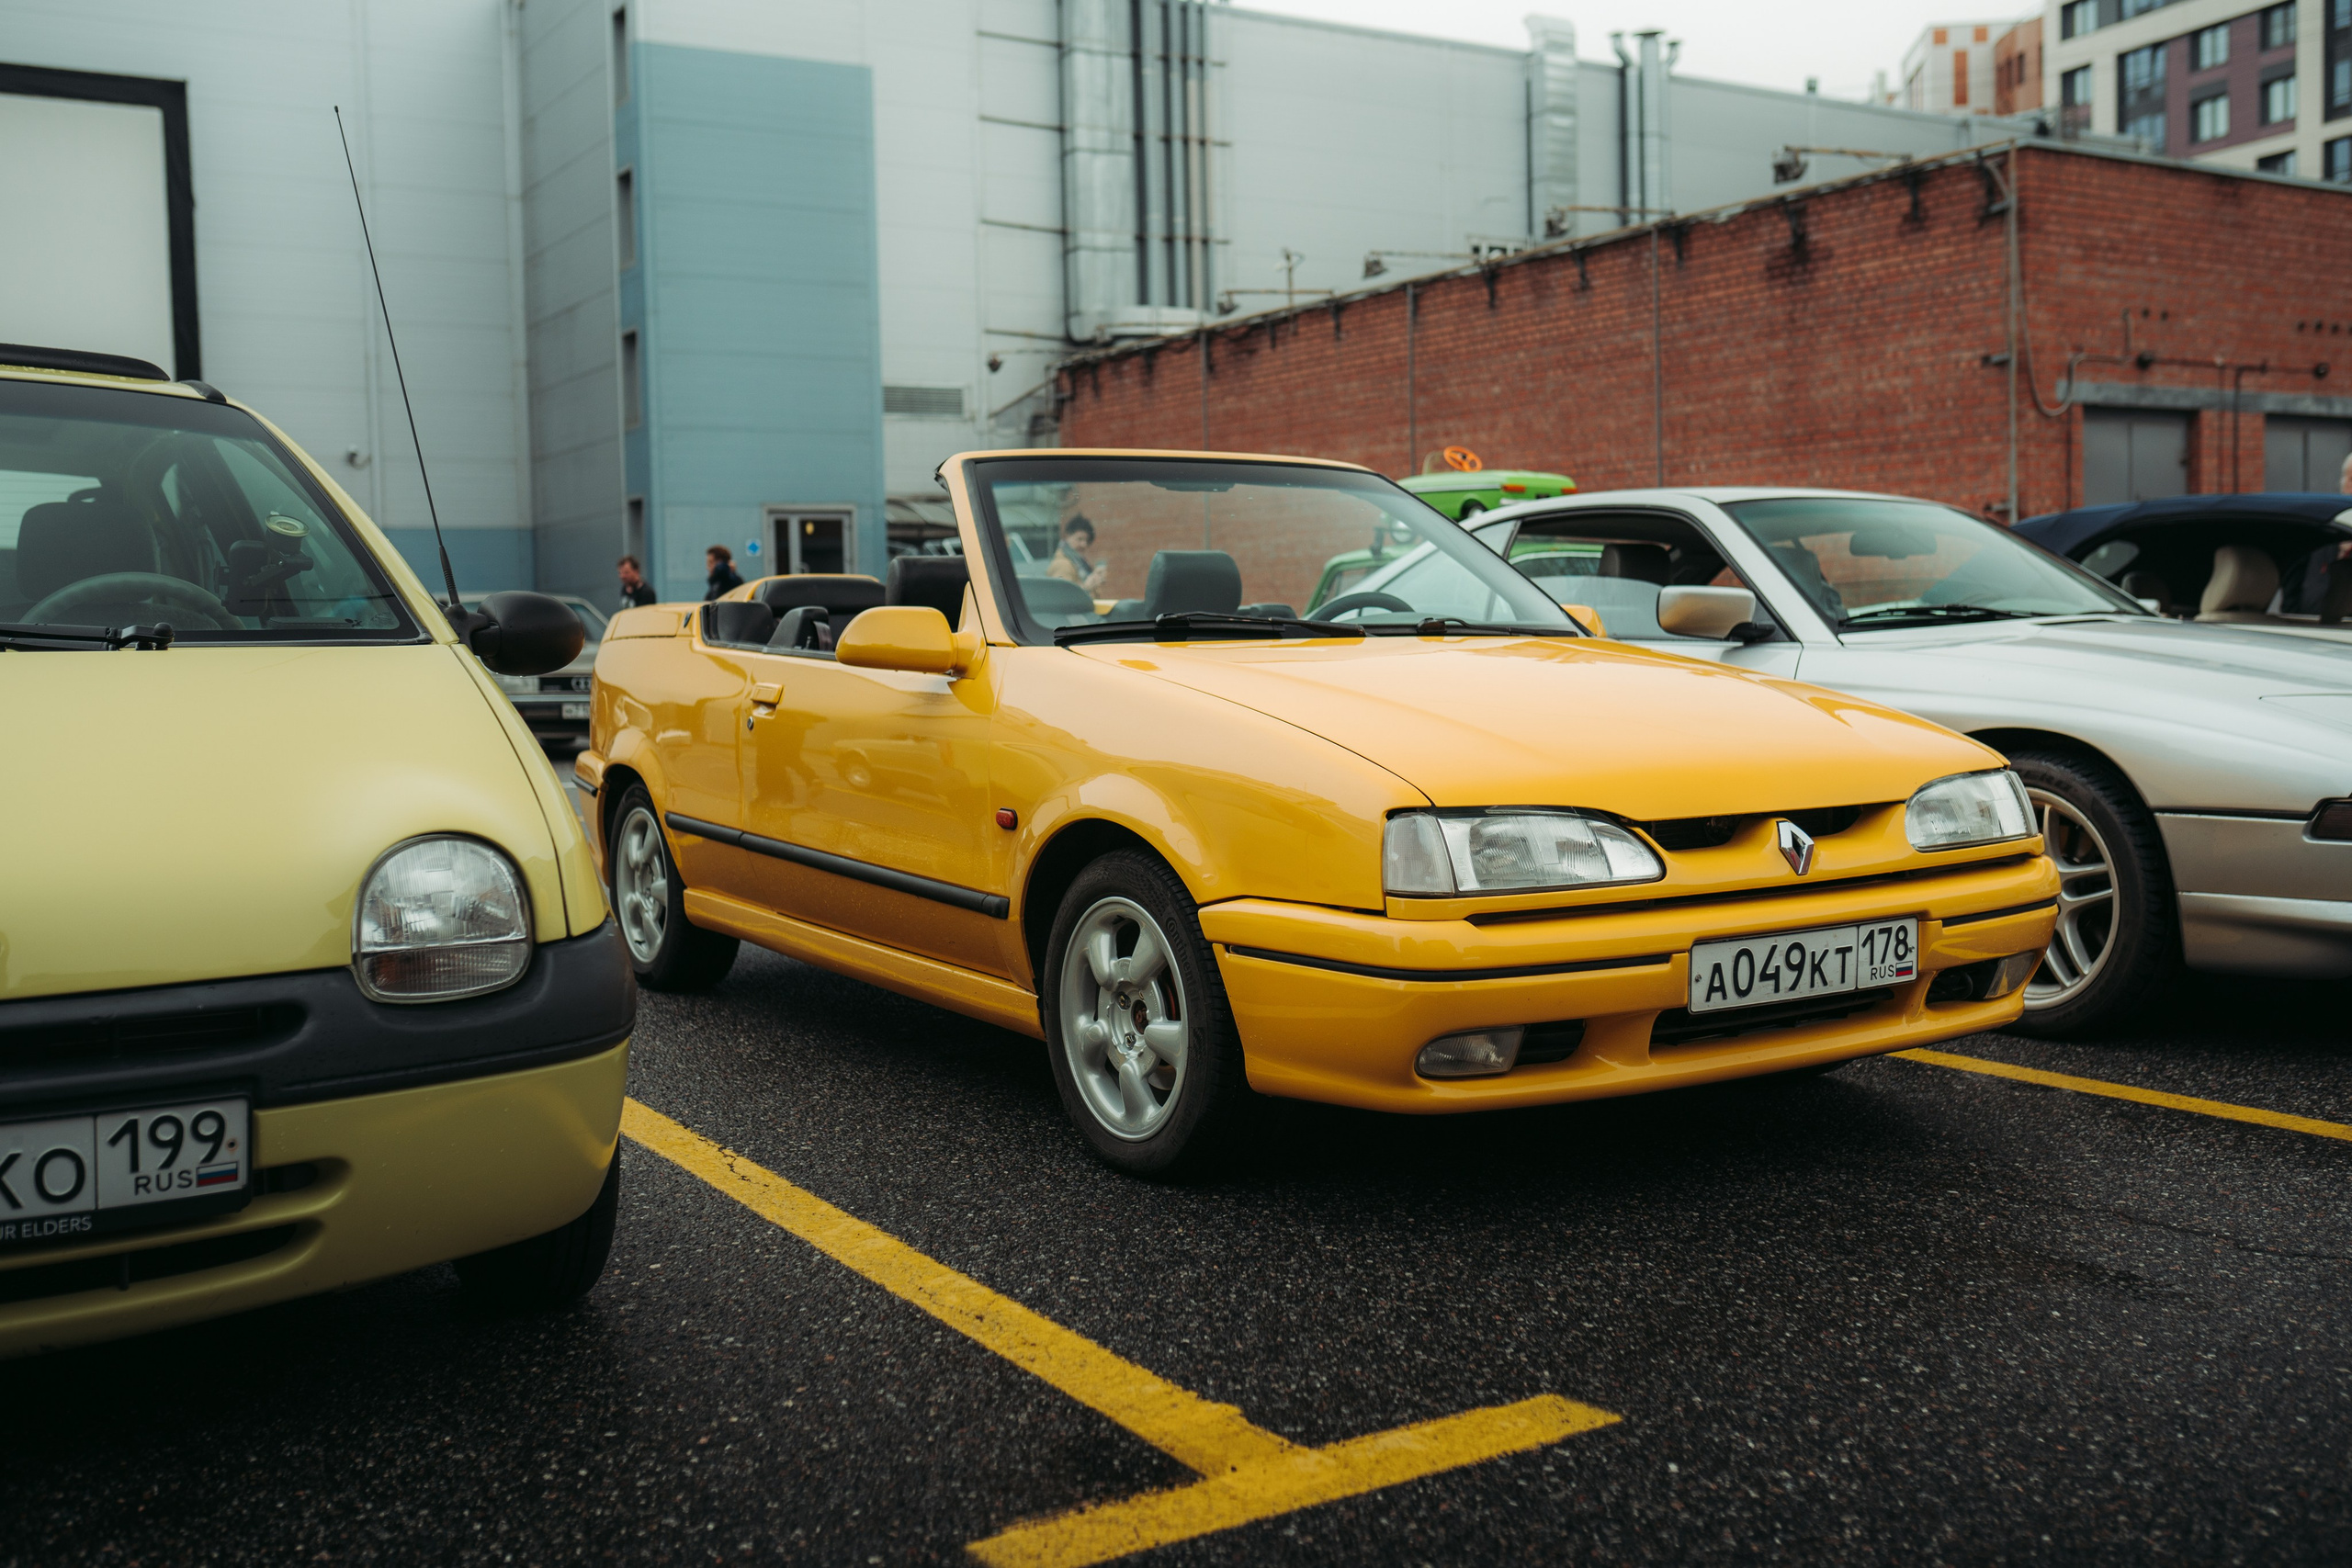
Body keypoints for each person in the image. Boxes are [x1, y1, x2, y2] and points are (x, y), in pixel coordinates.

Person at [1045, 513, 1108, 593]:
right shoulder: (1063, 565)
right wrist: (1086, 587)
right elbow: (1062, 597)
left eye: (1086, 540)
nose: (1084, 544)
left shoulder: (1078, 563)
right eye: (1079, 539)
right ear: (1067, 536)